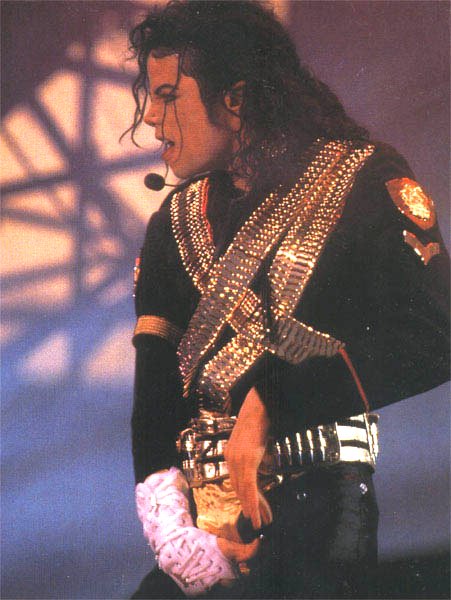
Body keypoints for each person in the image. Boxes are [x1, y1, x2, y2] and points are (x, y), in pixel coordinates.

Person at [127, 1, 450, 598]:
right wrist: (177, 539)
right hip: (203, 535)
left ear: (235, 98)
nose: (149, 115)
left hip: (318, 509)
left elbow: (435, 336)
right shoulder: (171, 222)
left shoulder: (360, 178)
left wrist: (273, 401)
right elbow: (155, 402)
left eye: (168, 95)